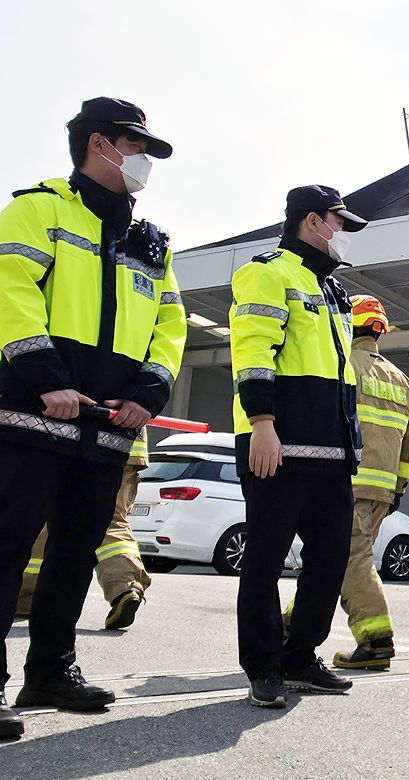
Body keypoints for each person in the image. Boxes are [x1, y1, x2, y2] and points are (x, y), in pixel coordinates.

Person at [0, 97, 183, 740]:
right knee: (6, 547)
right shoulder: (38, 209)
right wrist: (46, 380)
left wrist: (147, 395)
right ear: (99, 144)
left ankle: (51, 670)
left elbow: (170, 326)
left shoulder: (150, 242)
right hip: (32, 416)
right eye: (137, 148)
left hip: (107, 426)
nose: (144, 163)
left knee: (76, 553)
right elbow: (12, 290)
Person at [230, 185, 365, 708]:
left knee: (330, 558)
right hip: (278, 446)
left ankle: (299, 655)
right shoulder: (268, 272)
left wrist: (349, 442)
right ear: (313, 221)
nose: (343, 236)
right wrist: (262, 423)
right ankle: (263, 665)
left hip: (330, 451)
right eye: (339, 224)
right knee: (264, 559)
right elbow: (252, 350)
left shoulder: (333, 291)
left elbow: (340, 374)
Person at [332, 295, 409, 670]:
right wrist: (398, 487)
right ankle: (291, 625)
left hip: (344, 482)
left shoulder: (341, 364)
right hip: (382, 490)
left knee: (350, 559)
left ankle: (376, 639)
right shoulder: (402, 380)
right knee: (335, 559)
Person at [17, 432, 153, 630]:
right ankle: (127, 586)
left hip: (83, 444)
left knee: (55, 518)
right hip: (126, 447)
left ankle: (27, 595)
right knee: (114, 520)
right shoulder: (139, 400)